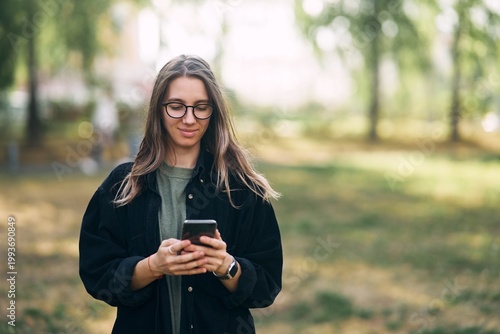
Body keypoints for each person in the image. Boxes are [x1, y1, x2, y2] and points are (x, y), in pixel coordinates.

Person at [79, 54, 283, 334]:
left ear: (214, 111)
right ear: (158, 109)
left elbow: (267, 285)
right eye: (176, 106)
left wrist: (227, 266)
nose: (189, 119)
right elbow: (97, 274)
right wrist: (153, 266)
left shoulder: (242, 189)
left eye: (201, 107)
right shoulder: (122, 186)